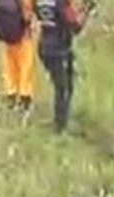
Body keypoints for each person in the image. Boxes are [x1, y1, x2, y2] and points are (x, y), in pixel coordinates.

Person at [35, 0, 91, 132]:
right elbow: (75, 27)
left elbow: (60, 18)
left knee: (63, 84)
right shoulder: (61, 3)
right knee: (63, 88)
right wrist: (86, 11)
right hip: (59, 50)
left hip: (44, 46)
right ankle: (60, 126)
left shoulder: (40, 2)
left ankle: (62, 120)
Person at [0, 0, 37, 110]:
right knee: (26, 66)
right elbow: (27, 16)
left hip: (8, 38)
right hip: (24, 37)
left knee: (10, 66)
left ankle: (11, 93)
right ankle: (24, 96)